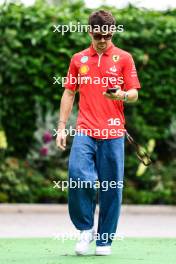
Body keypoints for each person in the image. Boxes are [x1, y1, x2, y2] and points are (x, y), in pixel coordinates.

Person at [56, 10, 141, 256]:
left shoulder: (124, 58)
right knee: (77, 175)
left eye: (106, 34)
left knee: (111, 188)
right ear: (90, 32)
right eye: (97, 35)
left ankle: (104, 240)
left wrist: (122, 94)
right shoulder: (78, 59)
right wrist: (61, 128)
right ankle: (85, 229)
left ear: (112, 32)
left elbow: (134, 93)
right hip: (85, 130)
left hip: (114, 132)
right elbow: (69, 92)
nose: (102, 39)